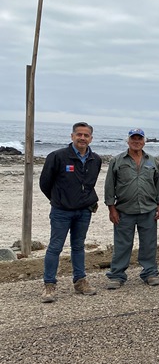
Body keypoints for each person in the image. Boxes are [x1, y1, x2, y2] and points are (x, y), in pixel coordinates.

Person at [39, 122, 102, 303]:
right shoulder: (57, 156)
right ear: (72, 136)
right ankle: (49, 285)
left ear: (91, 138)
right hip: (61, 211)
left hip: (84, 211)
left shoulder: (95, 159)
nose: (82, 138)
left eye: (86, 135)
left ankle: (80, 281)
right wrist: (58, 199)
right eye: (79, 134)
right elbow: (45, 183)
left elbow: (90, 183)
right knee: (55, 247)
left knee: (78, 246)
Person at [105, 128, 159, 288]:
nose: (136, 141)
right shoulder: (117, 161)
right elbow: (109, 186)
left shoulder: (152, 161)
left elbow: (158, 184)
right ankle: (117, 276)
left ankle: (150, 273)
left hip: (148, 209)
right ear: (128, 140)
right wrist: (111, 208)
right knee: (122, 244)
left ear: (144, 141)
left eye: (139, 139)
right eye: (133, 138)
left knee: (149, 243)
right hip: (124, 210)